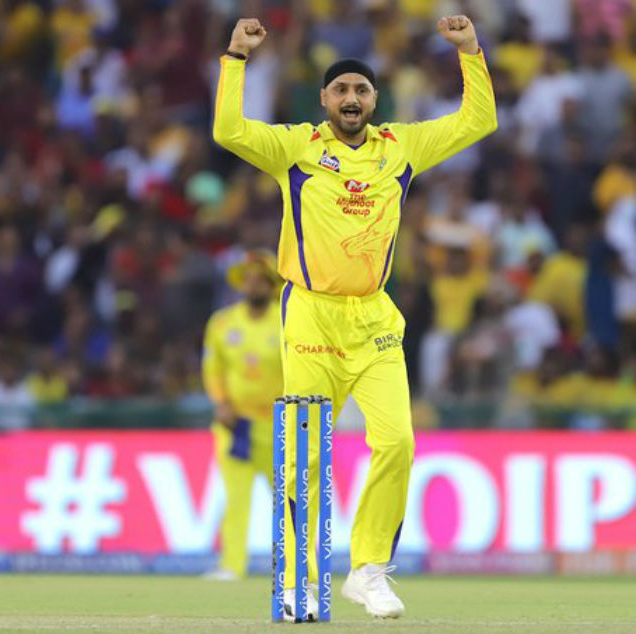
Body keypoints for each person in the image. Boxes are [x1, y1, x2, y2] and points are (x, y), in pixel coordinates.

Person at [213, 15, 497, 620]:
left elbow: (479, 121)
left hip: (374, 320)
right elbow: (228, 130)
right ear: (324, 99)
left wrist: (470, 51)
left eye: (361, 90)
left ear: (375, 99)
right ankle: (301, 583)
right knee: (306, 456)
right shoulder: (297, 147)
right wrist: (235, 59)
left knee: (398, 441)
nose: (351, 98)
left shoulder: (401, 147)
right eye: (341, 89)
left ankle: (368, 571)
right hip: (310, 317)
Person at [201, 250, 283, 580]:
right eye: (248, 279)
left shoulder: (287, 321)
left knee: (288, 500)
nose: (253, 285)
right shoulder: (222, 323)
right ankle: (232, 565)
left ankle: (300, 568)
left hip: (278, 425)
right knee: (236, 497)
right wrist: (221, 402)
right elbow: (213, 367)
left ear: (272, 285)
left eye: (261, 280)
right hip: (235, 424)